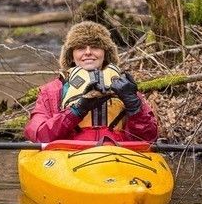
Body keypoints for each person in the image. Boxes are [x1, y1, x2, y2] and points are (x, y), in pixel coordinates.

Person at [24, 21, 158, 143]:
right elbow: (38, 135)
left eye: (95, 47)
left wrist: (134, 106)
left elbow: (149, 137)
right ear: (71, 55)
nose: (88, 52)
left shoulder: (124, 87)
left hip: (117, 156)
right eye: (81, 48)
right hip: (69, 156)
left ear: (106, 53)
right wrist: (77, 110)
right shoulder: (52, 91)